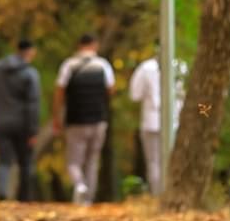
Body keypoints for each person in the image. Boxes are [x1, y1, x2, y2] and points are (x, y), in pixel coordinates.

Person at [52, 34, 116, 205]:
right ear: (94, 45)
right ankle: (88, 199)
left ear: (79, 45)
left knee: (73, 161)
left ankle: (80, 185)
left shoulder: (69, 66)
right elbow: (110, 90)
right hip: (98, 119)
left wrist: (57, 116)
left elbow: (59, 92)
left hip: (76, 119)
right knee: (92, 160)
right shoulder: (103, 65)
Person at [0, 39, 41, 201]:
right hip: (22, 123)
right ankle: (24, 198)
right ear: (30, 52)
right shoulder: (30, 73)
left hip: (0, 120)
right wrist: (33, 130)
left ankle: (2, 192)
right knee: (25, 161)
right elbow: (33, 104)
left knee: (4, 159)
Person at [128, 54, 188, 197]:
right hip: (174, 121)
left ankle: (158, 195)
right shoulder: (181, 66)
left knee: (154, 162)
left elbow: (135, 95)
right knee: (171, 160)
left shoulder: (145, 68)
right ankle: (171, 193)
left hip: (151, 121)